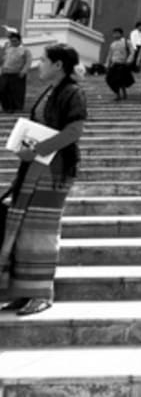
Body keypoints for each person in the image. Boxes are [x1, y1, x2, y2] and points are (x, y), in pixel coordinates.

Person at [0, 44, 87, 316]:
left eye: (45, 61)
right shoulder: (50, 91)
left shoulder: (72, 92)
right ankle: (23, 291)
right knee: (25, 230)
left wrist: (37, 149)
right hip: (36, 168)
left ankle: (40, 292)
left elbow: (74, 131)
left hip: (54, 170)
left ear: (59, 65)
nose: (40, 65)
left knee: (40, 232)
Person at [0, 32, 32, 113]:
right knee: (3, 90)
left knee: (15, 92)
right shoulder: (7, 49)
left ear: (19, 41)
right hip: (5, 73)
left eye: (14, 41)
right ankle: (6, 107)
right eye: (11, 41)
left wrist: (24, 71)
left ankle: (16, 108)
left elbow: (28, 61)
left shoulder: (25, 50)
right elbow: (3, 60)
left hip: (17, 74)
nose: (13, 43)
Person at [104, 27, 134, 101]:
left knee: (121, 80)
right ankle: (117, 93)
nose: (115, 35)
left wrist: (129, 60)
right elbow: (110, 55)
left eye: (117, 33)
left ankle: (122, 94)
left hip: (123, 63)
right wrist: (107, 64)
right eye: (114, 33)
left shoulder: (126, 42)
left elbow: (132, 52)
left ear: (121, 34)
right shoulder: (112, 44)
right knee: (110, 79)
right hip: (114, 64)